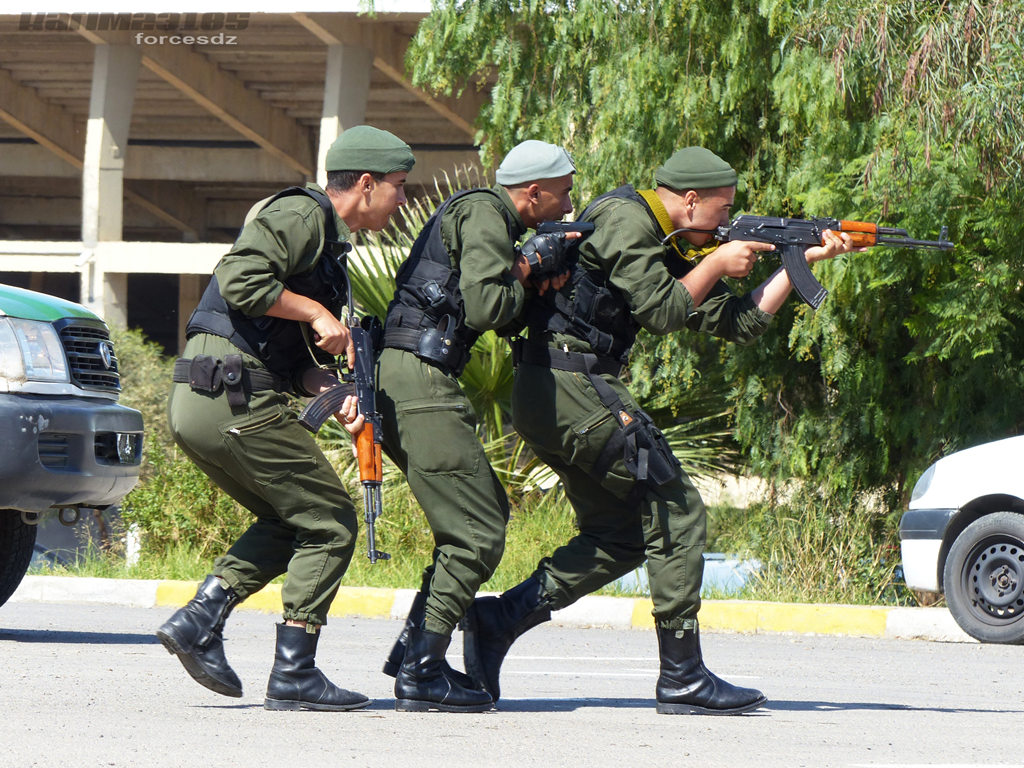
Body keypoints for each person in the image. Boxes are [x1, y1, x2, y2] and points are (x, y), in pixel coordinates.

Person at [460, 146, 862, 714]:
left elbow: (737, 321)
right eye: (722, 210)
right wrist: (719, 263)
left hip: (558, 391)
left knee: (621, 534)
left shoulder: (663, 240)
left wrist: (803, 263)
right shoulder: (627, 220)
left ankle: (499, 619)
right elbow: (664, 311)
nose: (726, 222)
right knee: (677, 507)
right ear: (690, 199)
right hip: (571, 386)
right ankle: (682, 675)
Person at [157, 126, 415, 712]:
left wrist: (332, 389)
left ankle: (200, 621)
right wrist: (321, 313)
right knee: (330, 521)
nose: (403, 199)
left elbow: (290, 358)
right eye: (399, 187)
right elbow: (240, 280)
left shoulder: (325, 247)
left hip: (212, 396)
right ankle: (295, 672)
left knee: (291, 518)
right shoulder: (304, 213)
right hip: (231, 393)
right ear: (366, 184)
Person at [371, 140, 576, 712]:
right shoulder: (487, 211)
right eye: (561, 195)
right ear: (532, 193)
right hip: (419, 379)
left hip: (414, 377)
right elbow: (487, 306)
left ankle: (416, 651)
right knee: (476, 531)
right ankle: (423, 671)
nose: (566, 206)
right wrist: (533, 263)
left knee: (482, 509)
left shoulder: (486, 218)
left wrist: (532, 275)